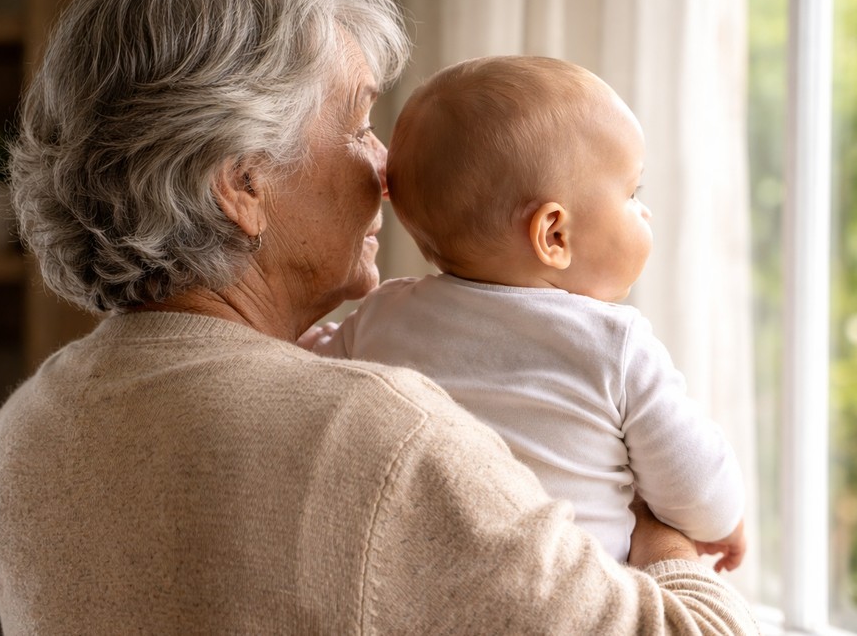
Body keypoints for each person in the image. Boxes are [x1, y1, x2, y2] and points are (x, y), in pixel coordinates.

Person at [0, 0, 759, 634]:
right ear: (244, 186)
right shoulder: (377, 435)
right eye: (358, 124)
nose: (385, 168)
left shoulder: (28, 426)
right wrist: (663, 536)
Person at [303, 56, 747, 568]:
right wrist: (727, 520)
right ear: (554, 234)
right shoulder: (615, 346)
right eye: (632, 193)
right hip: (569, 599)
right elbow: (697, 487)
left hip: (423, 585)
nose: (644, 210)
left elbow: (310, 370)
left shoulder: (383, 316)